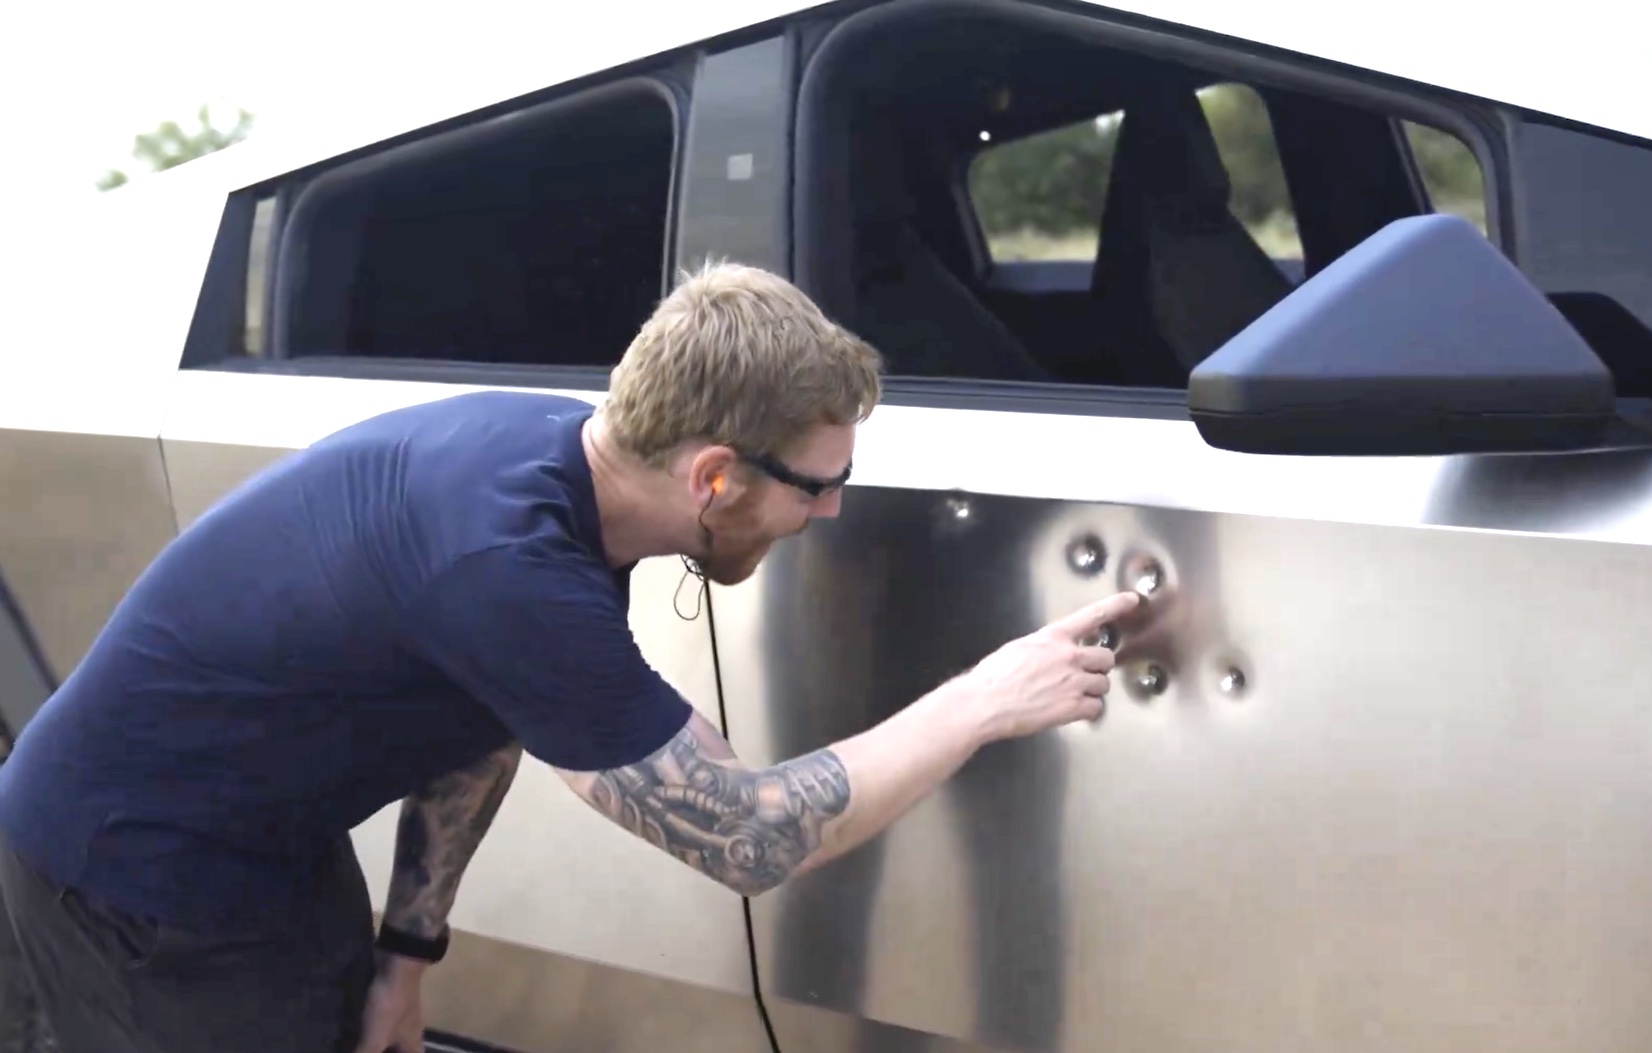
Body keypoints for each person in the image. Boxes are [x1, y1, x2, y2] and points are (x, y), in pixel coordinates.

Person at [0, 262, 1139, 1053]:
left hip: (270, 847)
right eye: (818, 484)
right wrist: (985, 699)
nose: (833, 513)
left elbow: (483, 720)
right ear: (712, 478)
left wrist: (408, 952)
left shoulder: (561, 467)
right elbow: (751, 836)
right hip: (137, 880)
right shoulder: (510, 570)